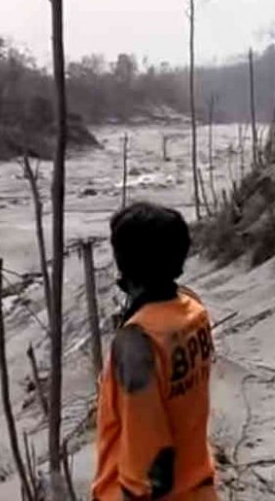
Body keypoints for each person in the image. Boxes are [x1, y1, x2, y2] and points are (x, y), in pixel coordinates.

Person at [92, 202, 218, 500]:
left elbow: (148, 467)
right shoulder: (194, 312)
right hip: (200, 486)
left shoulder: (136, 344)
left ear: (125, 263)